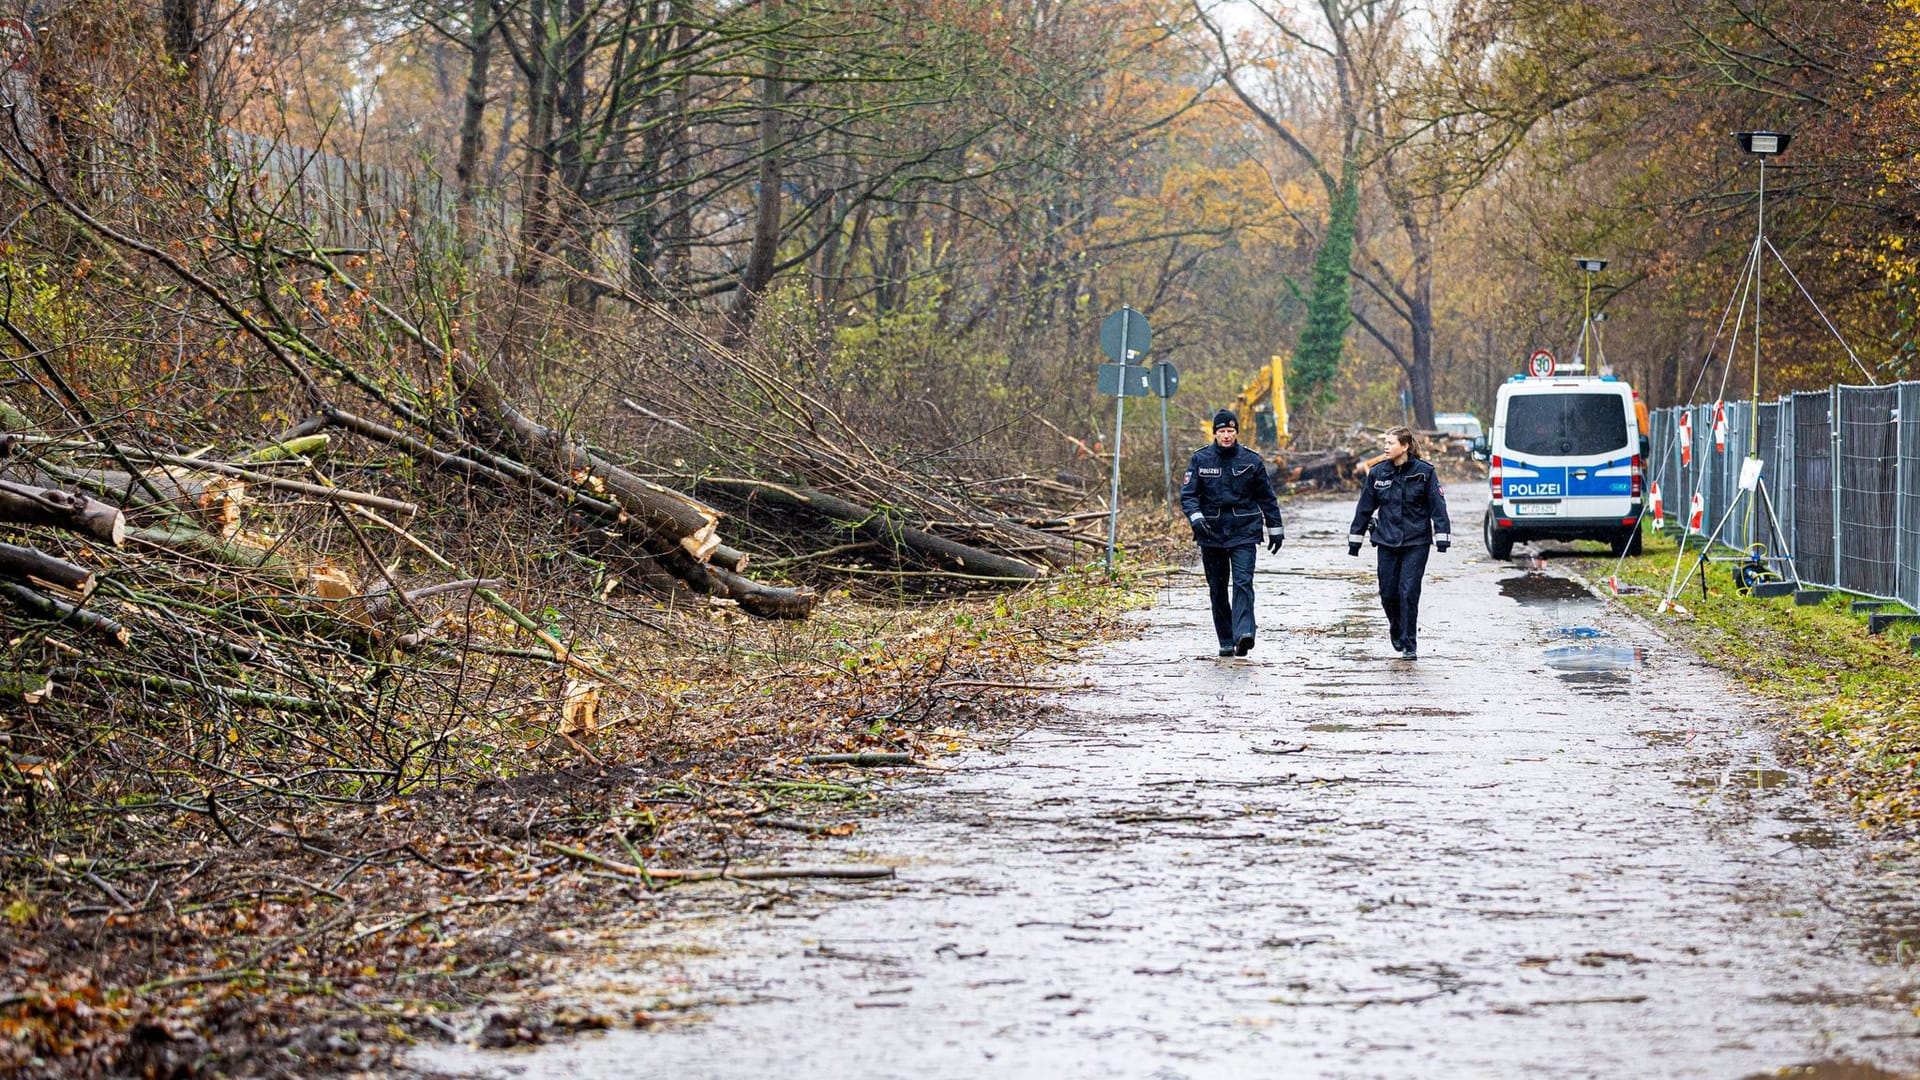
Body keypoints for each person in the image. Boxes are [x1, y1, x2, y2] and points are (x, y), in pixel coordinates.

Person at [1181, 409, 1285, 657]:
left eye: (1230, 431)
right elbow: (1188, 496)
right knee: (1217, 588)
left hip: (1244, 531)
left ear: (1237, 433)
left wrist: (1275, 529)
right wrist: (1196, 519)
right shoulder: (1200, 459)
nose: (1226, 436)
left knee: (1242, 582)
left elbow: (1267, 497)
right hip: (1212, 533)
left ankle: (1244, 634)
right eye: (1222, 431)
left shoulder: (1251, 460)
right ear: (1214, 433)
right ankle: (1227, 639)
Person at [1348, 426, 1451, 660]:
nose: (1386, 447)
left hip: (1416, 542)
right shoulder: (1377, 473)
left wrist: (1442, 537)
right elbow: (1364, 508)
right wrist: (1355, 540)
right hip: (1386, 541)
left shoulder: (1424, 472)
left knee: (1408, 591)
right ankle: (1396, 629)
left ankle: (1409, 643)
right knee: (1388, 593)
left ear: (1404, 446)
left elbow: (1438, 506)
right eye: (1385, 442)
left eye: (1391, 443)